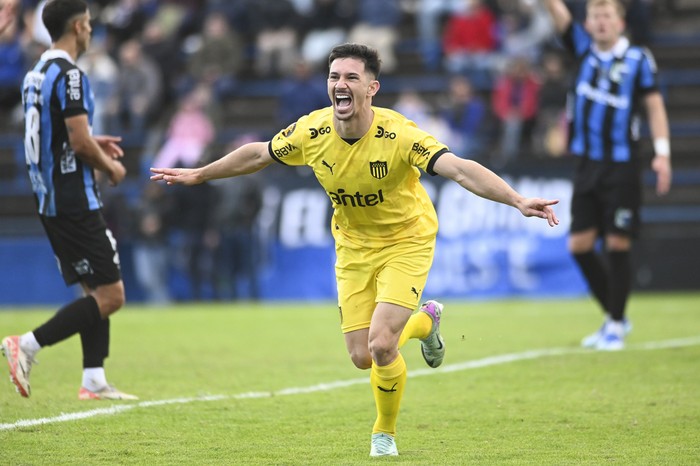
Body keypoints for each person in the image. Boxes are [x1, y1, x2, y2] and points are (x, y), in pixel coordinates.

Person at [150, 43, 559, 457]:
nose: (340, 85)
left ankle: (384, 434)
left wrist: (516, 200)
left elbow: (458, 168)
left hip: (406, 239)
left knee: (383, 345)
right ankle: (426, 322)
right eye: (334, 77)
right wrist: (201, 173)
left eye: (350, 77)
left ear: (371, 88)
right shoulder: (312, 132)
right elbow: (259, 154)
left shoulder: (399, 135)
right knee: (363, 357)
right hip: (353, 247)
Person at [1, 0, 137, 400]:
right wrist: (109, 167)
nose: (92, 30)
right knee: (112, 296)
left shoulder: (36, 72)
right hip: (75, 197)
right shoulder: (71, 74)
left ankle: (93, 378)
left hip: (49, 198)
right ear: (78, 27)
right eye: (90, 24)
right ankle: (26, 343)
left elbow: (57, 135)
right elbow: (77, 142)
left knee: (93, 290)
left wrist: (93, 142)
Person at [542, 0, 672, 350]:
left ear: (620, 21)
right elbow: (559, 15)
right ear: (588, 22)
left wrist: (662, 153)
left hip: (622, 166)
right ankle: (615, 316)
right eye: (595, 16)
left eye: (607, 16)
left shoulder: (638, 59)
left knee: (617, 241)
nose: (600, 22)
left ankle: (614, 323)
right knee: (579, 246)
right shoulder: (582, 49)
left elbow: (655, 106)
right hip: (586, 165)